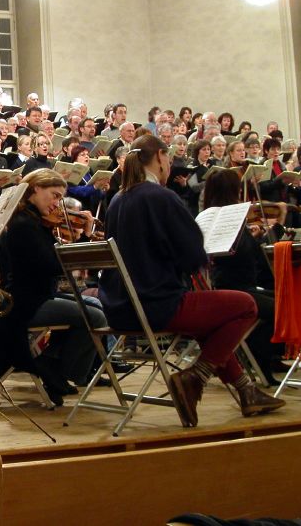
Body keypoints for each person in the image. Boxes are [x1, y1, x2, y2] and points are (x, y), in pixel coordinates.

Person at [98, 134, 284, 427]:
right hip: (156, 305)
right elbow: (193, 254)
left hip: (121, 308)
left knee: (209, 318)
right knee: (246, 305)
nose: (170, 164)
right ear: (160, 156)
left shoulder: (118, 200)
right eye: (169, 158)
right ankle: (195, 377)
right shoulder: (160, 196)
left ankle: (247, 391)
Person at [0, 169, 100, 405]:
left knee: (95, 305)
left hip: (34, 296)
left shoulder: (31, 221)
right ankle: (61, 370)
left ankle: (52, 361)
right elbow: (54, 266)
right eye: (54, 195)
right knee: (96, 318)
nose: (58, 203)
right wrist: (85, 238)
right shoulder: (25, 225)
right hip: (27, 302)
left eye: (60, 197)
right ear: (35, 188)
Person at [205, 169, 285, 385]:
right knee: (282, 309)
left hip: (241, 285)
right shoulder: (225, 220)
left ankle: (268, 355)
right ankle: (258, 355)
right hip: (234, 289)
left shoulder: (226, 218)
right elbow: (240, 255)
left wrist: (255, 237)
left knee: (287, 299)